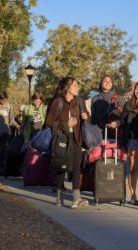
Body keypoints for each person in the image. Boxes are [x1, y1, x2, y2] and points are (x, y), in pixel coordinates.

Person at [45, 77, 90, 209]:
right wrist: (65, 124)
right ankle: (59, 195)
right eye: (75, 85)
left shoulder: (80, 101)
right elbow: (48, 122)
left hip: (76, 138)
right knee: (61, 167)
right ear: (67, 88)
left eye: (77, 85)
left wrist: (86, 118)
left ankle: (76, 198)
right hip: (61, 139)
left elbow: (87, 119)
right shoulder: (57, 102)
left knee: (76, 167)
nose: (77, 88)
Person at [0, 91, 18, 176]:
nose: (4, 102)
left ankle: (4, 169)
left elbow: (11, 120)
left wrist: (16, 125)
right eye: (2, 100)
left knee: (4, 152)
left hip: (6, 133)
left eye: (5, 100)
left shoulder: (9, 106)